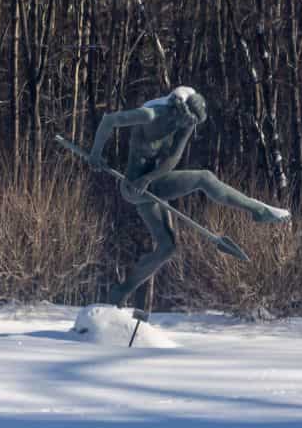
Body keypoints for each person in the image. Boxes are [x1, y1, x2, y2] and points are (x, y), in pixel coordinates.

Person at [89, 84, 290, 307]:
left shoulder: (186, 124)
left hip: (153, 183)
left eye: (192, 124)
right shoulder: (151, 114)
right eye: (187, 122)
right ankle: (259, 210)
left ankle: (120, 292)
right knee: (204, 177)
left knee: (167, 247)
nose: (187, 127)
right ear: (178, 110)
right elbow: (109, 120)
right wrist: (95, 155)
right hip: (132, 187)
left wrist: (150, 178)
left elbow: (173, 159)